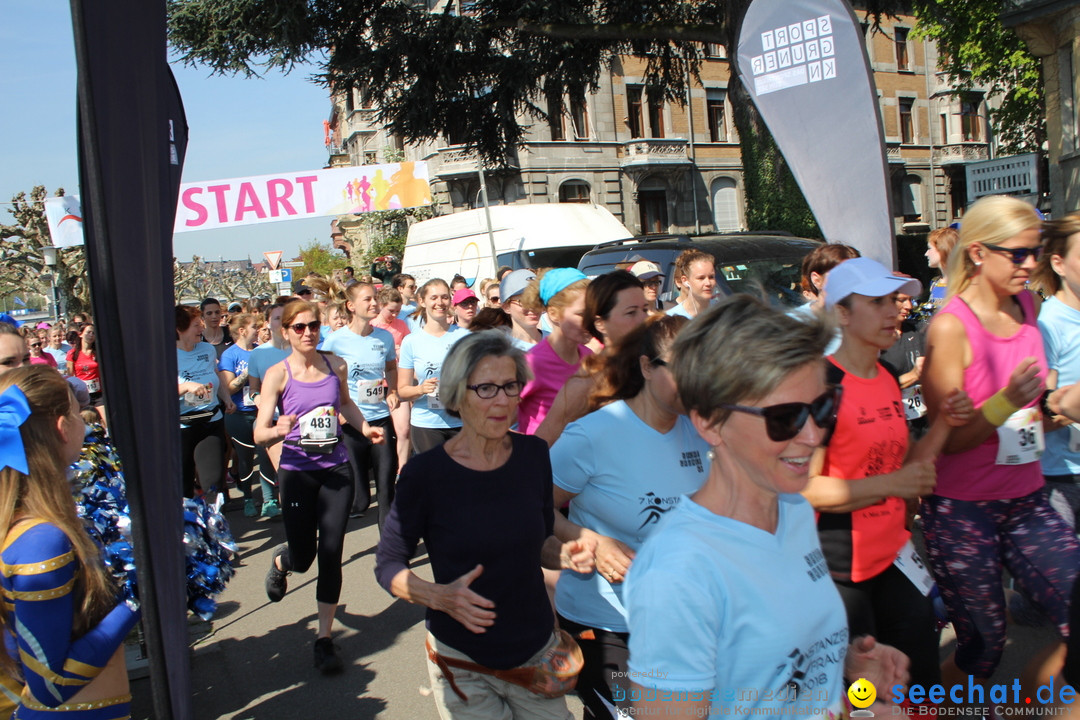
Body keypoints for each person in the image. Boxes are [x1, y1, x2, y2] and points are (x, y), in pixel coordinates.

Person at [625, 295, 909, 718]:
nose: (813, 436)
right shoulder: (679, 572)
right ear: (709, 422)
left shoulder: (792, 507)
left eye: (823, 408)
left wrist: (843, 664)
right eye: (785, 418)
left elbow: (762, 663)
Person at [374, 330, 595, 720]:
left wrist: (566, 555)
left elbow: (541, 539)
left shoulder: (533, 455)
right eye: (486, 389)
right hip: (463, 663)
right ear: (458, 395)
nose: (503, 401)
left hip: (536, 653)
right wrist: (437, 596)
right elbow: (388, 565)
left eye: (510, 386)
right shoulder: (426, 474)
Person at [921, 195, 1080, 689]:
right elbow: (946, 441)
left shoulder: (1028, 304)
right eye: (1017, 253)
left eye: (1034, 252)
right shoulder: (950, 328)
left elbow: (1037, 401)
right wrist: (1007, 401)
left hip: (1028, 500)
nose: (1029, 264)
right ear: (977, 253)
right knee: (984, 648)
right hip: (962, 511)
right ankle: (928, 707)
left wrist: (1051, 401)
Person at [803, 258, 972, 688]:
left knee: (919, 679)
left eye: (895, 300)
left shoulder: (886, 373)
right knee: (865, 696)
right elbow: (803, 489)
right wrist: (889, 486)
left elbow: (903, 466)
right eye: (876, 302)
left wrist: (943, 426)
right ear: (841, 312)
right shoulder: (820, 384)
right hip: (841, 568)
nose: (894, 310)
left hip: (894, 555)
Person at [549, 315, 707, 719]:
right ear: (646, 367)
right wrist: (587, 539)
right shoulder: (593, 435)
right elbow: (526, 505)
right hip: (603, 622)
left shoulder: (701, 432)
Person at [0, 367, 141, 718]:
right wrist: (141, 595)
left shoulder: (34, 527)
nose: (85, 421)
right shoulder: (41, 539)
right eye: (78, 413)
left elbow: (17, 645)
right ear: (63, 428)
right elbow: (50, 684)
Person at [254, 299, 383, 674]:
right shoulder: (278, 374)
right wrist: (276, 430)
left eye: (314, 326)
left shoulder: (334, 365)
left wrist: (364, 428)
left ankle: (324, 639)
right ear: (286, 331)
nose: (309, 333)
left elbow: (345, 405)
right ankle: (283, 560)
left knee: (330, 553)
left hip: (335, 470)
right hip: (297, 472)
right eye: (300, 328)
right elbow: (259, 430)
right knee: (304, 557)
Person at [534, 271, 650, 446]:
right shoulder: (583, 384)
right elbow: (540, 447)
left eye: (645, 309)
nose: (644, 319)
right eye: (631, 312)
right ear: (600, 323)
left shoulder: (653, 365)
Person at [322, 282, 400, 526]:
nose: (374, 303)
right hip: (351, 425)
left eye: (375, 298)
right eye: (367, 299)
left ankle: (390, 548)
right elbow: (324, 380)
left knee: (386, 485)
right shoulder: (335, 341)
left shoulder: (384, 337)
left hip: (380, 420)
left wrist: (393, 390)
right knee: (359, 496)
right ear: (351, 306)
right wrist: (338, 412)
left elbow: (390, 368)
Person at [1030, 213, 1080, 533]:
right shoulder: (1048, 325)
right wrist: (1066, 408)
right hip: (1060, 479)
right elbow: (1033, 418)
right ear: (1059, 264)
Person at [517, 269, 591, 435]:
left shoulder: (590, 357)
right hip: (544, 458)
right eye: (581, 314)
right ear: (553, 314)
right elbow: (495, 419)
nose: (591, 320)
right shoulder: (533, 362)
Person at [398, 279, 465, 454]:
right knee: (435, 479)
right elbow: (402, 392)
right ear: (422, 301)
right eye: (433, 297)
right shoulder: (411, 341)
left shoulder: (464, 336)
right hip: (426, 424)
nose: (439, 303)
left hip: (461, 422)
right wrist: (421, 389)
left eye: (444, 297)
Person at [177, 305, 235, 499]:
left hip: (210, 420)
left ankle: (216, 523)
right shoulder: (166, 356)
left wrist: (226, 398)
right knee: (183, 485)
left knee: (213, 483)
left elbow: (215, 375)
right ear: (179, 329)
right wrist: (186, 387)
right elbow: (156, 393)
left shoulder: (207, 349)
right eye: (196, 325)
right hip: (183, 425)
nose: (201, 329)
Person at [219, 312, 271, 517]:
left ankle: (269, 500)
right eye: (253, 327)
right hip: (239, 413)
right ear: (242, 331)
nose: (258, 330)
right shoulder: (229, 355)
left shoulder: (260, 351)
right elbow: (228, 388)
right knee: (245, 458)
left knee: (265, 454)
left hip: (261, 410)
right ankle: (248, 498)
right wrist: (246, 374)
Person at [247, 296, 293, 518]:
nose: (281, 321)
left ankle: (296, 508)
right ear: (267, 322)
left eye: (285, 317)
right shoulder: (258, 354)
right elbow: (253, 389)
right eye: (276, 318)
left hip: (297, 417)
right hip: (270, 417)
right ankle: (269, 500)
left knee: (291, 469)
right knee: (273, 462)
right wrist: (259, 399)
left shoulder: (299, 348)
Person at [373, 286, 413, 472]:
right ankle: (380, 468)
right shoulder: (372, 325)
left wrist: (400, 352)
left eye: (398, 311)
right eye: (391, 311)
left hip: (396, 383)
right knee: (380, 431)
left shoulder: (401, 325)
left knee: (404, 429)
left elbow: (410, 351)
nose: (394, 315)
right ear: (381, 305)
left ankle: (402, 470)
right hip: (374, 385)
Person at [665, 250, 715, 319]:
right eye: (701, 278)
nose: (708, 283)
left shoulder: (724, 313)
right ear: (685, 281)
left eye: (711, 277)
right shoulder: (671, 318)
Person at [501, 269, 541, 351]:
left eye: (537, 299)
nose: (533, 306)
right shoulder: (503, 350)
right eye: (523, 301)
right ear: (506, 307)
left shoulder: (557, 342)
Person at [67, 325, 102, 408]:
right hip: (82, 393)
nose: (91, 335)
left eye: (93, 333)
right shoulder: (72, 353)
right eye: (88, 332)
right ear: (80, 334)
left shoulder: (98, 352)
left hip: (99, 393)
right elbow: (70, 375)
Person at [925, 226, 960, 310]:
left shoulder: (963, 285)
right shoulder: (934, 283)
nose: (926, 253)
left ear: (943, 249)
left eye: (930, 248)